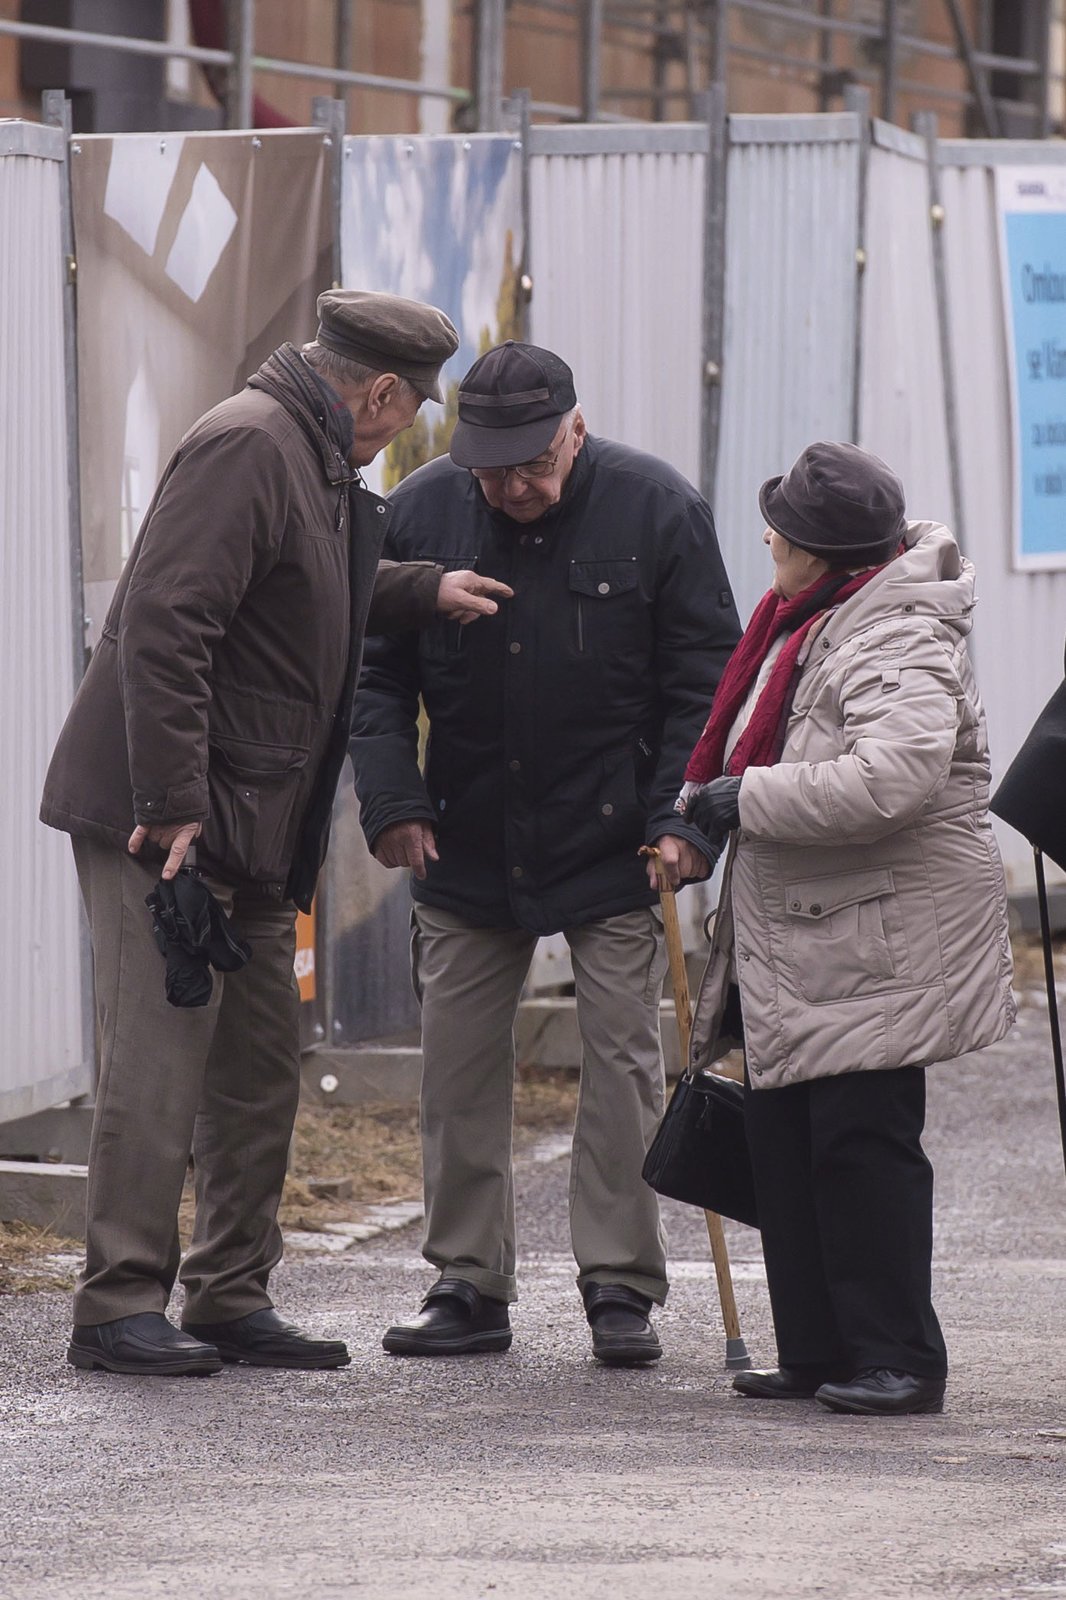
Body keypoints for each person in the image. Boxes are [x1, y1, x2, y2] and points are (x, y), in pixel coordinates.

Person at [40, 289, 512, 1377]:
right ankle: (116, 1305)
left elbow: (303, 591)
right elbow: (167, 621)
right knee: (159, 1063)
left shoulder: (305, 452)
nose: (402, 430)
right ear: (382, 392)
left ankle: (227, 1293)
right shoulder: (251, 444)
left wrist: (420, 588)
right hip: (166, 819)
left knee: (259, 1067)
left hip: (246, 820)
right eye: (406, 411)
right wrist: (169, 802)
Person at [350, 341, 741, 1365]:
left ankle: (619, 1284)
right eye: (495, 468)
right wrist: (392, 798)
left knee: (621, 1061)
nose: (515, 487)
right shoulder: (423, 509)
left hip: (618, 843)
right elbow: (373, 674)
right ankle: (467, 1283)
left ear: (575, 429)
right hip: (465, 834)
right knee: (456, 1066)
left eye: (534, 463)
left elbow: (705, 683)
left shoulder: (658, 508)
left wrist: (683, 820)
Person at [681, 441, 1015, 1416]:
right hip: (812, 932)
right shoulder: (817, 617)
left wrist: (750, 797)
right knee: (785, 1141)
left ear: (819, 553)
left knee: (859, 1147)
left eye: (779, 529)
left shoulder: (897, 634)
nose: (765, 539)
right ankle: (819, 1347)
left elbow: (894, 777)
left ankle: (898, 1358)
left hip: (877, 940)